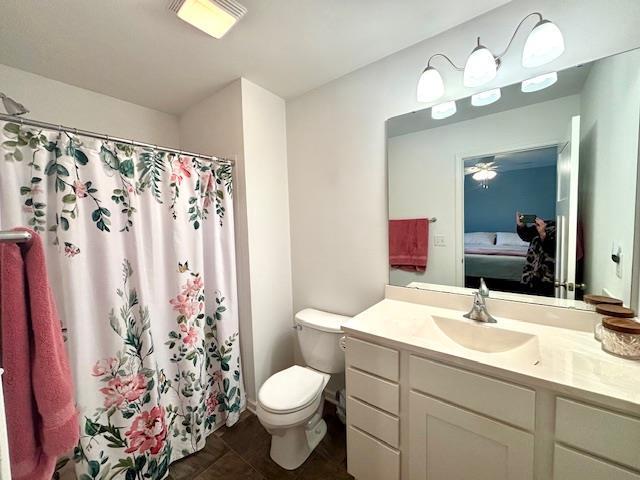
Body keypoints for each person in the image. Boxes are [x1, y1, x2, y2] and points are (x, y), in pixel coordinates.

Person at [516, 212, 556, 297]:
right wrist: (521, 226)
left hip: (545, 274)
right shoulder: (545, 224)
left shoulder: (560, 230)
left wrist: (542, 234)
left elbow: (552, 250)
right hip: (530, 270)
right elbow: (526, 236)